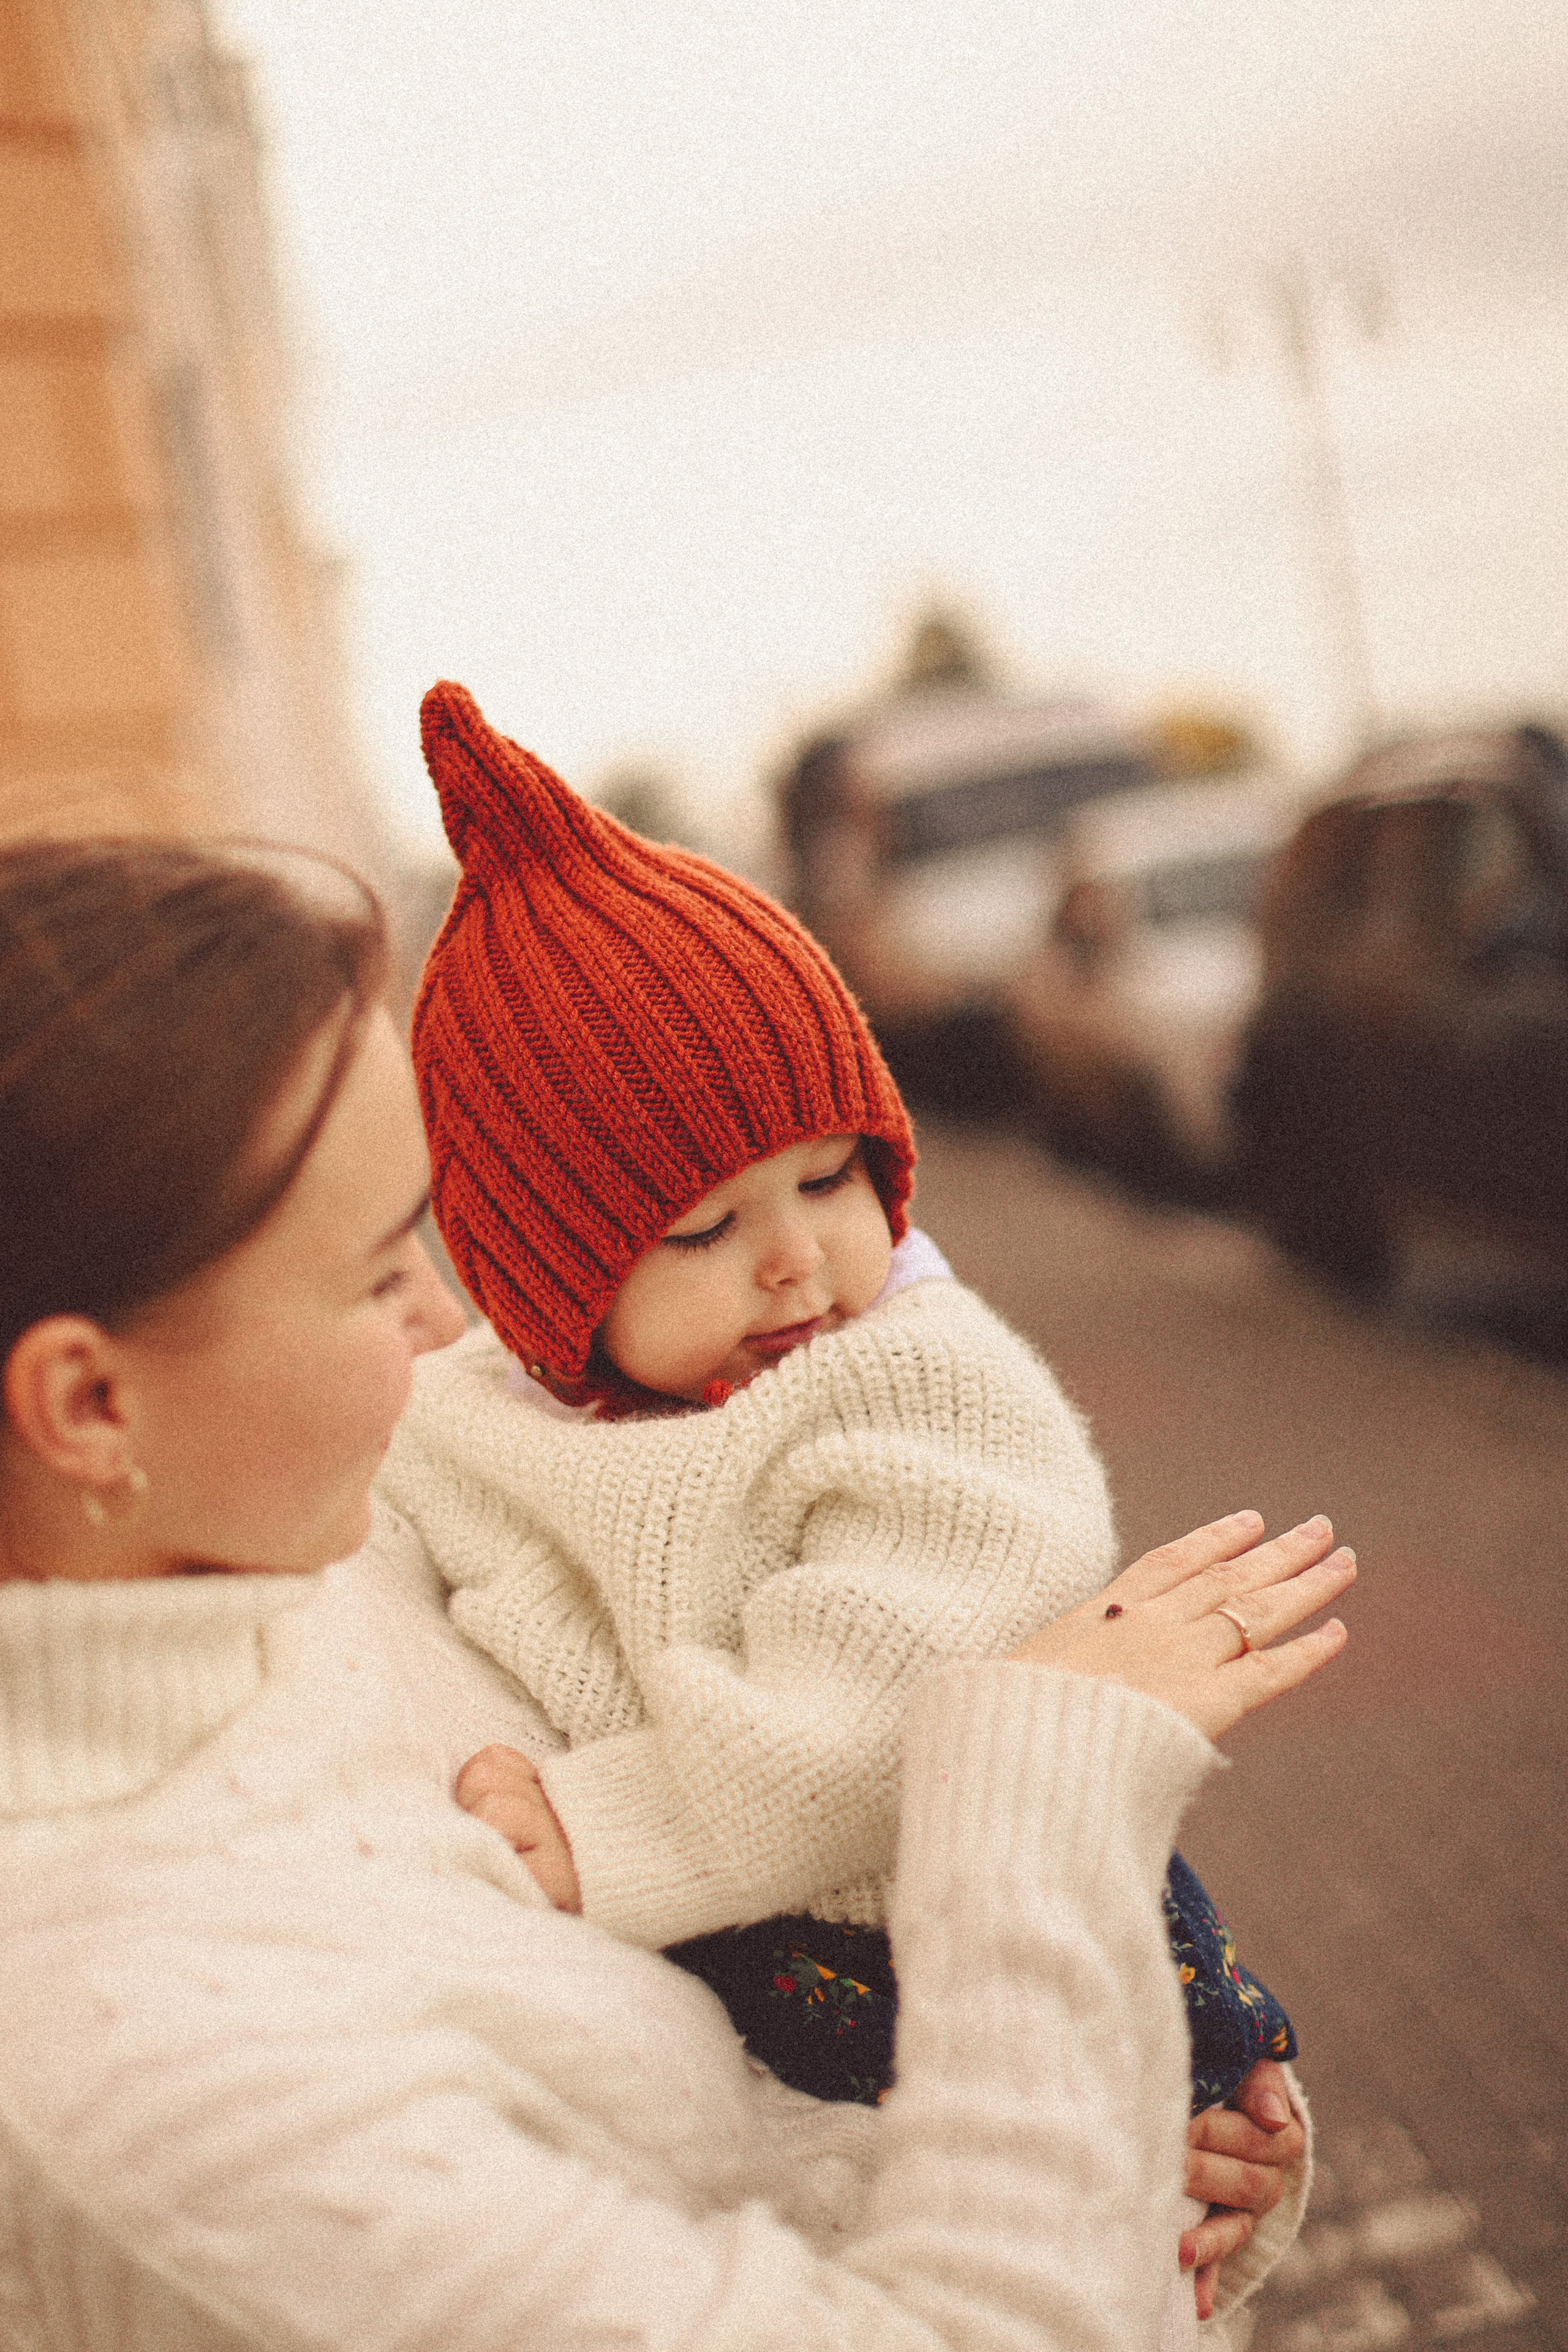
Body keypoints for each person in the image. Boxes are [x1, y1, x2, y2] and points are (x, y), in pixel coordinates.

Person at [0, 830, 1355, 2352]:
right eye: (382, 1271)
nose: (453, 1321)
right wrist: (1042, 1799)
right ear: (88, 1406)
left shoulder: (290, 1549)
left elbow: (716, 2116)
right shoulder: (170, 2106)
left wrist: (1114, 2116)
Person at [380, 684, 1316, 2336]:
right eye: (700, 1228)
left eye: (830, 1175)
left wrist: (614, 1831)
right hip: (779, 2042)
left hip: (963, 1941)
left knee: (1139, 2234)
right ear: (545, 1293)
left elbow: (894, 1702)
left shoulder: (914, 1383)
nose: (799, 1254)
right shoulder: (486, 1424)